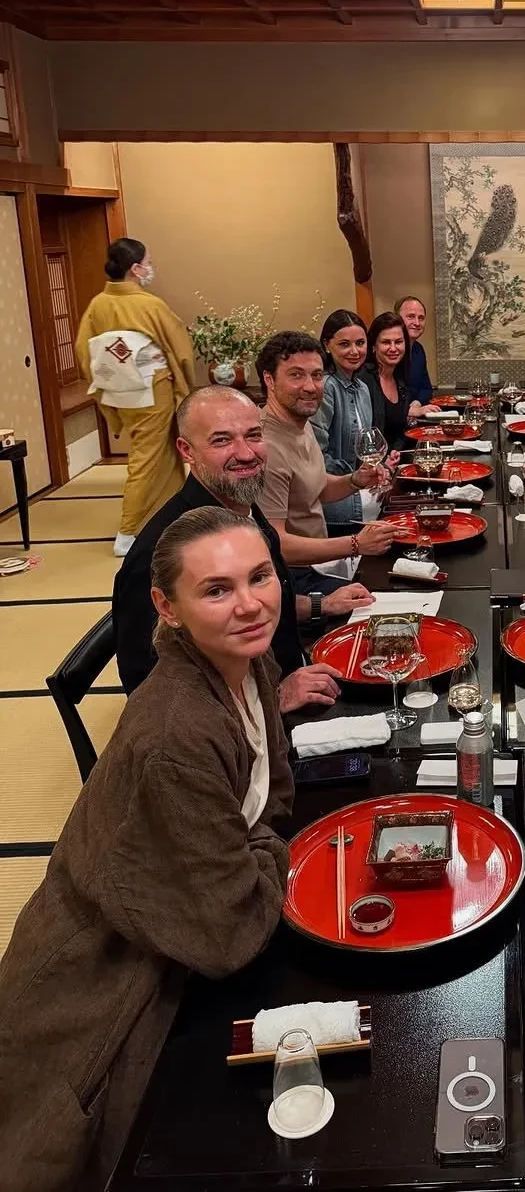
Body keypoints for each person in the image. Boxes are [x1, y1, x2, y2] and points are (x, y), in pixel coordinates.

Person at [0, 507, 294, 1191]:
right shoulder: (174, 735)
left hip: (189, 913)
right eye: (217, 589)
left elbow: (274, 799)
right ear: (167, 607)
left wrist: (255, 852)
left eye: (260, 577)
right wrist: (265, 857)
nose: (250, 604)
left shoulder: (248, 661)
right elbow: (224, 934)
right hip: (104, 978)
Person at [114, 385, 374, 711]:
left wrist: (322, 605)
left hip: (290, 673)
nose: (247, 454)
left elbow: (258, 604)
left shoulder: (241, 506)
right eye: (222, 440)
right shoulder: (163, 550)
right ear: (186, 450)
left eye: (254, 436)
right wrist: (273, 699)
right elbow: (144, 683)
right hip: (245, 719)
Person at [74, 238, 196, 558]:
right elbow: (180, 348)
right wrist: (187, 382)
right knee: (147, 456)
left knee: (165, 452)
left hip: (121, 390)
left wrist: (108, 382)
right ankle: (128, 531)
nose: (151, 267)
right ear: (135, 269)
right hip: (152, 388)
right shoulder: (149, 304)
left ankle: (168, 516)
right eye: (148, 262)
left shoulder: (98, 304)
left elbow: (83, 349)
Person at [257, 331, 396, 594]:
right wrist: (355, 544)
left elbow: (316, 489)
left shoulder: (300, 423)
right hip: (292, 579)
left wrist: (355, 480)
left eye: (317, 375)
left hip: (319, 564)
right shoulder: (264, 447)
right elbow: (274, 544)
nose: (311, 387)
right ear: (269, 379)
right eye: (296, 375)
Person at [312, 309, 386, 527]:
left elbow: (368, 448)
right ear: (327, 345)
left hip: (359, 486)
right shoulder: (325, 387)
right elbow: (316, 458)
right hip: (330, 494)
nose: (354, 351)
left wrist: (376, 469)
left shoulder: (362, 388)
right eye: (345, 344)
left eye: (360, 343)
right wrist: (357, 477)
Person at [360, 311, 417, 452]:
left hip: (396, 457)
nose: (393, 348)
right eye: (386, 342)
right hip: (372, 460)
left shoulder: (400, 379)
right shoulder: (363, 380)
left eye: (398, 342)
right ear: (374, 346)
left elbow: (400, 431)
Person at [395, 295, 435, 406]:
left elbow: (426, 388)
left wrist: (417, 403)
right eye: (411, 316)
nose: (417, 323)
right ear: (397, 319)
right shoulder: (391, 351)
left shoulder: (418, 349)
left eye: (421, 318)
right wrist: (407, 409)